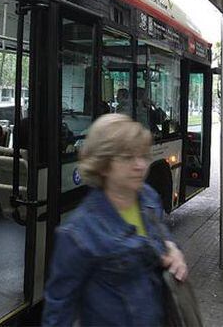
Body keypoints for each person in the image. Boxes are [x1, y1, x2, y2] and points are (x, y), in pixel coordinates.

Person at [42, 114, 187, 327]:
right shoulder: (78, 233)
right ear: (102, 165)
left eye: (143, 156)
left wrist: (173, 249)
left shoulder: (148, 198)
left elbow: (160, 236)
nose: (140, 165)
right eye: (128, 158)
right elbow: (58, 311)